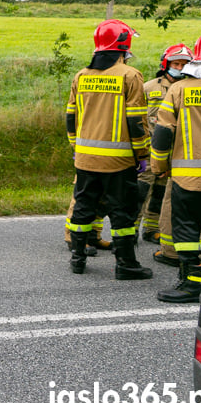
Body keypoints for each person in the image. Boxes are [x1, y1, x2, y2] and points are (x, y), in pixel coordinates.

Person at [64, 19, 152, 279]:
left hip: (85, 158)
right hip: (119, 161)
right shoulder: (130, 75)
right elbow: (136, 121)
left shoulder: (81, 75)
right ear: (124, 46)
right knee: (121, 213)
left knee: (83, 208)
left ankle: (78, 259)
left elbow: (71, 117)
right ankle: (125, 265)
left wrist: (76, 147)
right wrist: (142, 154)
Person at [153, 30, 201, 303]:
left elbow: (162, 133)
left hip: (188, 178)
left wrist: (159, 165)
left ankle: (190, 283)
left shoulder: (179, 89)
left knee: (185, 230)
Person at [139, 44, 193, 247]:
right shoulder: (149, 87)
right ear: (166, 64)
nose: (179, 67)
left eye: (183, 64)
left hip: (172, 153)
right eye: (175, 63)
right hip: (148, 151)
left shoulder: (188, 89)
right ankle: (130, 230)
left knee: (160, 194)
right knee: (140, 191)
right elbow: (137, 119)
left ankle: (152, 229)